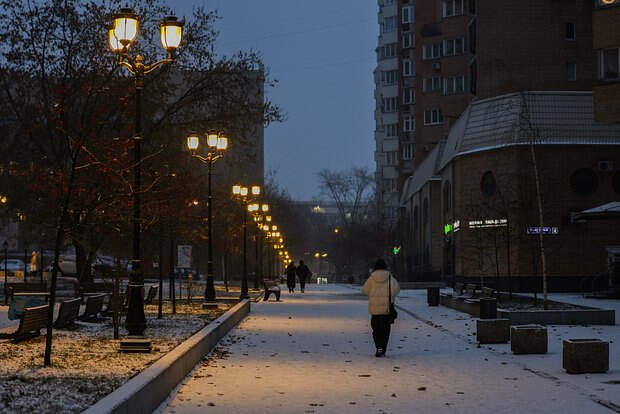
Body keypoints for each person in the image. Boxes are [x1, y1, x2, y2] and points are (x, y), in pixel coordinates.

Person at [361, 259, 400, 357]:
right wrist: (390, 298)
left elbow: (364, 290)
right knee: (385, 330)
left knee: (376, 330)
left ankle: (378, 346)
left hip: (375, 310)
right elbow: (397, 289)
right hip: (386, 310)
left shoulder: (371, 278)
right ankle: (383, 347)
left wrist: (373, 294)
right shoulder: (390, 278)